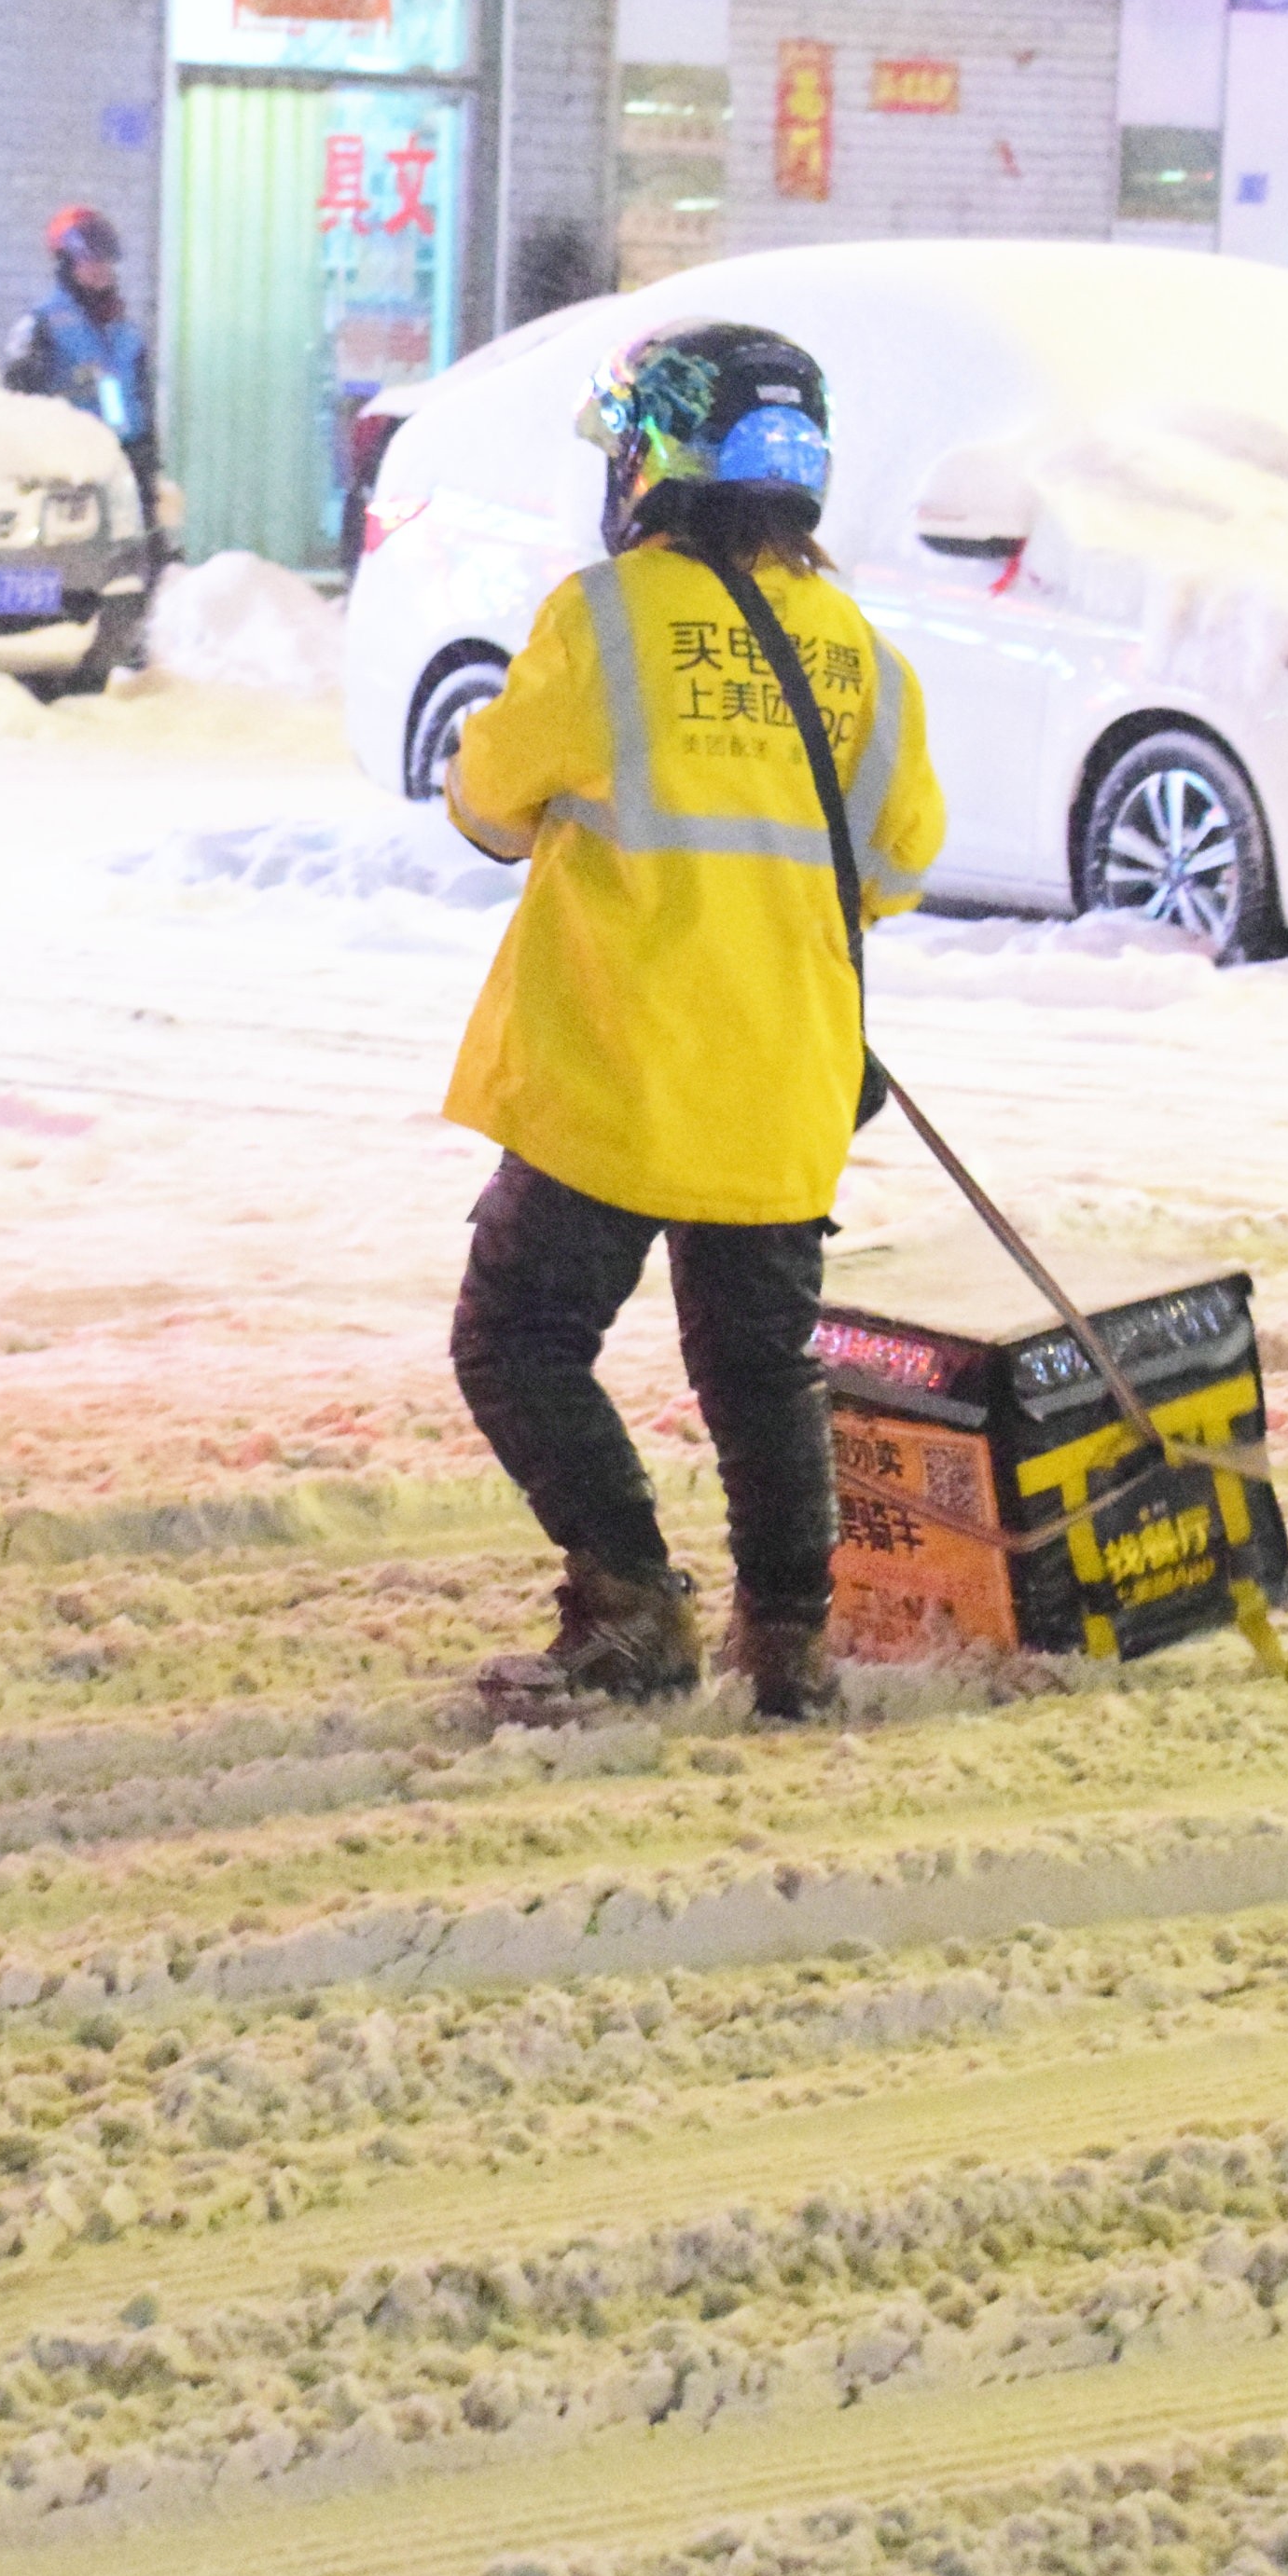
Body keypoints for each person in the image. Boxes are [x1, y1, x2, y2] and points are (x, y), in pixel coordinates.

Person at [439, 323, 943, 1722]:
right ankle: (786, 1643)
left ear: (654, 462)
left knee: (519, 1342)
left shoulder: (605, 616)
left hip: (618, 1073)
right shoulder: (862, 654)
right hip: (782, 1075)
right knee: (757, 1372)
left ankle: (631, 1609)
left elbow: (488, 799)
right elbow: (897, 866)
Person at [0, 204, 160, 516]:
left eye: (106, 259)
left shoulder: (126, 333)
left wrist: (147, 469)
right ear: (67, 262)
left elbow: (141, 405)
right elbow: (18, 401)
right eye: (89, 259)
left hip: (126, 469)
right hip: (69, 473)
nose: (100, 268)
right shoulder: (41, 327)